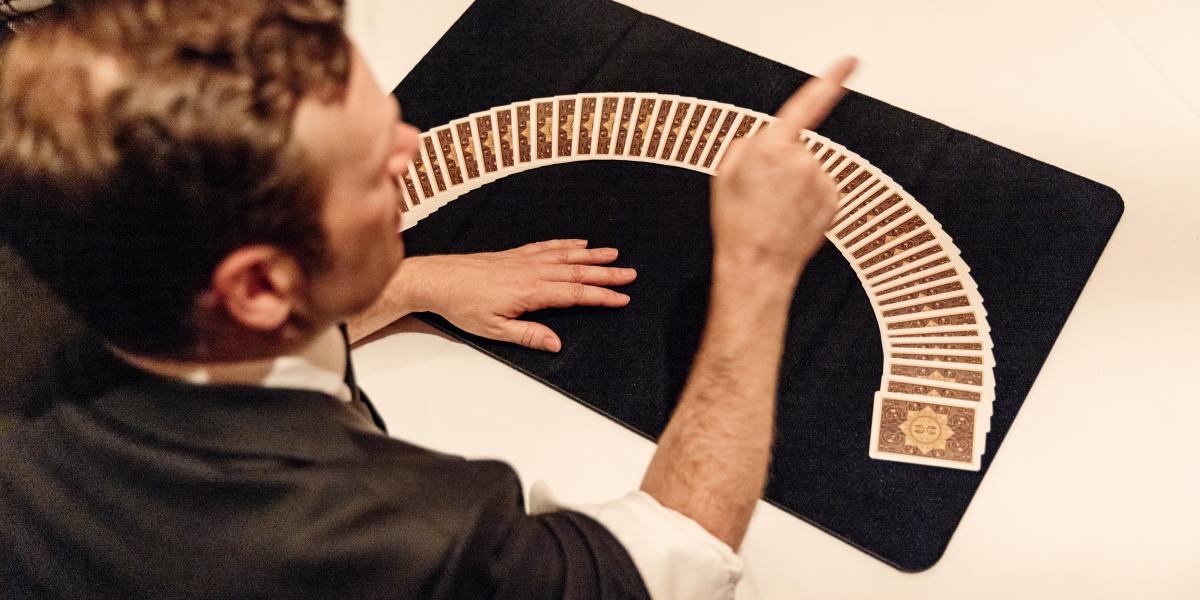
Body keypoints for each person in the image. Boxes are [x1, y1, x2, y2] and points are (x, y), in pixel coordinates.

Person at [0, 1, 855, 598]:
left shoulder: (61, 241)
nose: (415, 151)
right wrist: (756, 272)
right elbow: (670, 564)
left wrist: (410, 282)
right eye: (374, 167)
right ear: (260, 286)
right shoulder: (393, 540)